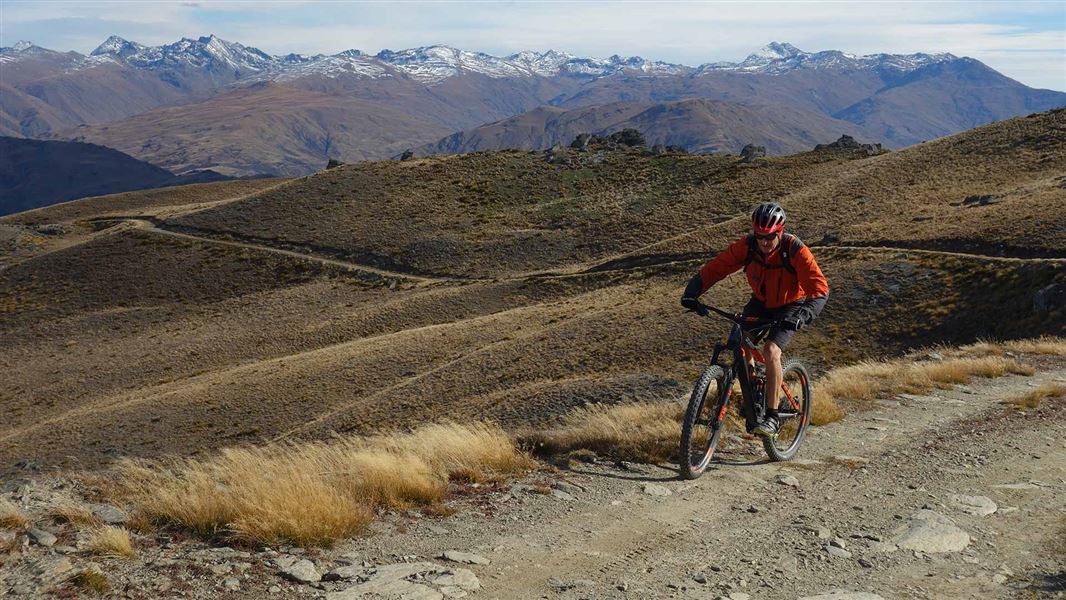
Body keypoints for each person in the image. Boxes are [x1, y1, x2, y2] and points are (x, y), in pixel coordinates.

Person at [680, 202, 829, 437]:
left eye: (769, 237)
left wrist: (802, 317)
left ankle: (771, 416)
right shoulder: (748, 247)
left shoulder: (795, 250)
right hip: (761, 302)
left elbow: (819, 289)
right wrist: (693, 292)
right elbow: (718, 267)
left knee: (771, 351)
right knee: (740, 341)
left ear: (780, 232)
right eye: (759, 236)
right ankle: (753, 398)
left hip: (792, 305)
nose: (764, 242)